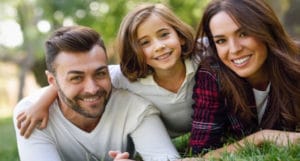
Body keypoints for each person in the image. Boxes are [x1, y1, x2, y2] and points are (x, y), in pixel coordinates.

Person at [16, 3, 197, 139]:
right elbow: (79, 80)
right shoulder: (125, 77)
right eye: (145, 42)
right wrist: (42, 103)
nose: (159, 46)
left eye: (164, 35)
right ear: (134, 50)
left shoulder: (202, 59)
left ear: (180, 36)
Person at [13, 25, 180, 161]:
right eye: (76, 78)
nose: (92, 89)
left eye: (100, 73)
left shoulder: (136, 108)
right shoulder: (31, 115)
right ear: (52, 81)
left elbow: (166, 158)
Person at [189, 0, 300, 158]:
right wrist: (261, 137)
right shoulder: (213, 74)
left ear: (266, 29)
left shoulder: (296, 62)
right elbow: (201, 152)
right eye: (221, 40)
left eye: (244, 33)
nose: (234, 49)